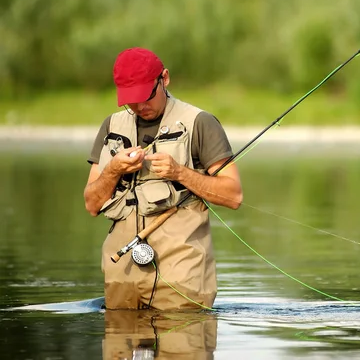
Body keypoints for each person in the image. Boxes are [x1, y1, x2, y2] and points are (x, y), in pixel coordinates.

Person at [84, 47, 243, 310]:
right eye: (131, 100)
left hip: (182, 277)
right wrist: (112, 169)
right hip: (121, 274)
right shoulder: (110, 126)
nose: (140, 107)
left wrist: (179, 172)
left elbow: (234, 196)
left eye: (146, 96)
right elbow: (91, 205)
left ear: (165, 79)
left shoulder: (200, 123)